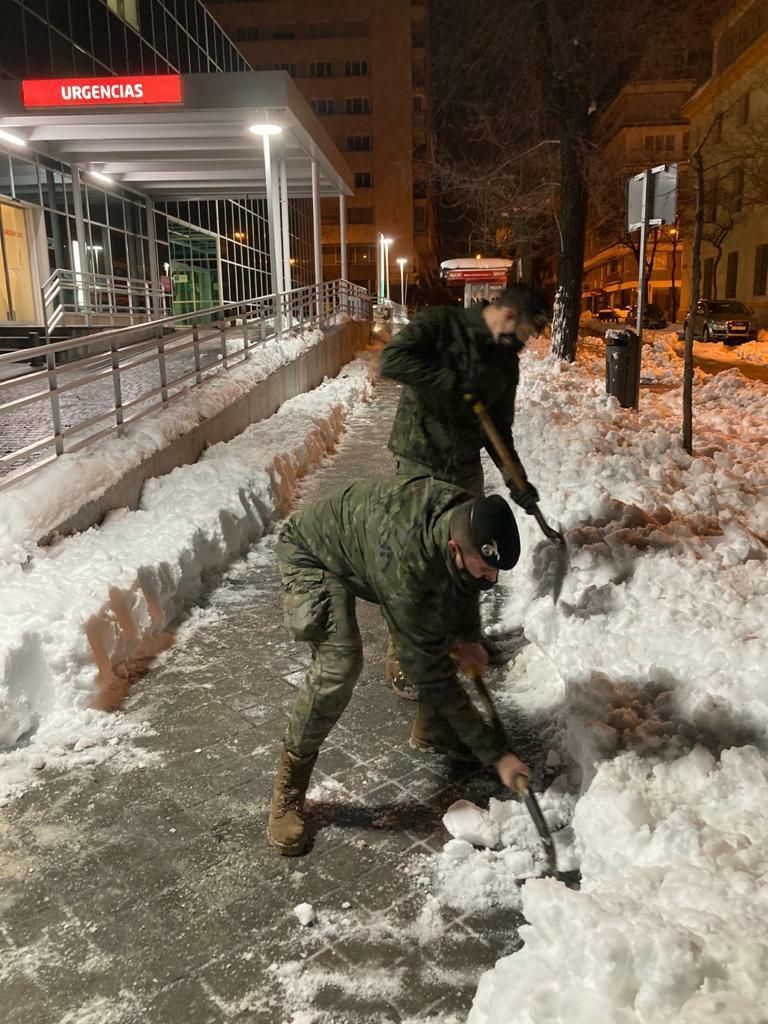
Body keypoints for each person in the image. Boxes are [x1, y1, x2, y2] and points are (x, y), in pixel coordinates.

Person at [268, 475, 530, 857]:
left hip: (367, 549)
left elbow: (463, 586)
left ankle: (433, 729)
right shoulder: (408, 566)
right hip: (312, 554)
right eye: (485, 569)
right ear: (456, 547)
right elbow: (430, 673)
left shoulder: (459, 514)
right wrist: (496, 753)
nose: (491, 580)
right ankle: (289, 788)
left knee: (443, 629)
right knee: (339, 666)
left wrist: (469, 637)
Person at [378, 282, 550, 697]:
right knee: (416, 559)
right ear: (508, 317)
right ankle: (405, 654)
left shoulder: (505, 365)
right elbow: (392, 360)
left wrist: (517, 482)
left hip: (463, 466)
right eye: (525, 334)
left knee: (470, 556)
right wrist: (448, 379)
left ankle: (464, 639)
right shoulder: (442, 323)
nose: (524, 345)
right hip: (419, 459)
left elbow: (499, 432)